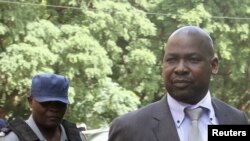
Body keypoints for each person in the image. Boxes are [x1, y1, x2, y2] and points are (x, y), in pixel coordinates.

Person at [108, 26, 249, 141]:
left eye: (193, 59)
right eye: (172, 60)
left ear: (213, 65)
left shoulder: (235, 121)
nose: (180, 69)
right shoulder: (129, 129)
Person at [0, 73, 87, 141]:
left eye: (59, 104)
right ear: (30, 101)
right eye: (46, 103)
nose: (54, 109)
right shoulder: (11, 139)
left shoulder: (78, 138)